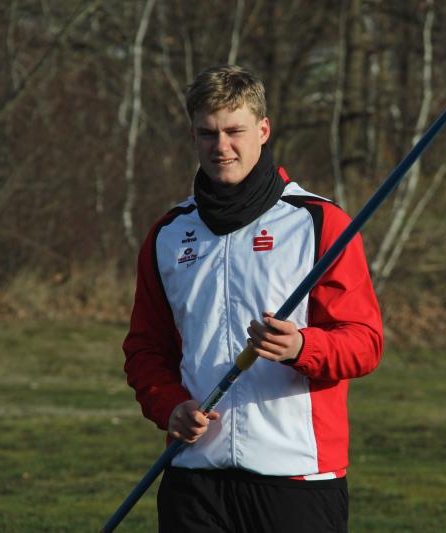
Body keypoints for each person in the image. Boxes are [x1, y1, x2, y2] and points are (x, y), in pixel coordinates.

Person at [123, 64, 383, 533]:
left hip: (297, 477)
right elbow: (145, 350)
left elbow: (365, 342)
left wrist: (303, 347)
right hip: (194, 476)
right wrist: (169, 407)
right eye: (207, 133)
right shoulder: (169, 234)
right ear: (193, 136)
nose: (221, 147)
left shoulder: (318, 223)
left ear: (263, 130)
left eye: (234, 131)